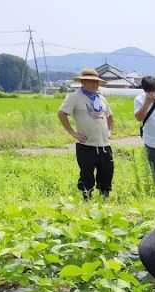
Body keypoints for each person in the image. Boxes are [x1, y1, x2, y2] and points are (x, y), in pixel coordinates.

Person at [58, 68, 115, 199]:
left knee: (107, 172)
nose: (94, 84)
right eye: (90, 81)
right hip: (86, 144)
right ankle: (87, 198)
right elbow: (61, 113)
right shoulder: (75, 97)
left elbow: (110, 116)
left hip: (104, 144)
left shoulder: (101, 98)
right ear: (83, 82)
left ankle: (104, 198)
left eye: (96, 82)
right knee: (87, 174)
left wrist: (110, 131)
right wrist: (73, 133)